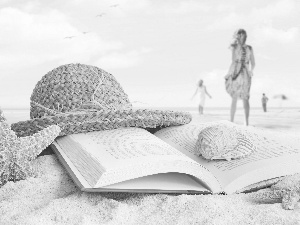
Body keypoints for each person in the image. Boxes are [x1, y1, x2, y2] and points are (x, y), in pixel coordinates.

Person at [225, 29, 255, 126]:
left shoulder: (249, 48)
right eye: (240, 35)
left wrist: (250, 71)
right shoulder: (234, 47)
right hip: (236, 73)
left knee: (246, 98)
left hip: (246, 74)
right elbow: (233, 61)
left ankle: (246, 122)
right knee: (234, 97)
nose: (242, 36)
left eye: (243, 35)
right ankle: (231, 120)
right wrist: (229, 73)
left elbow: (253, 63)